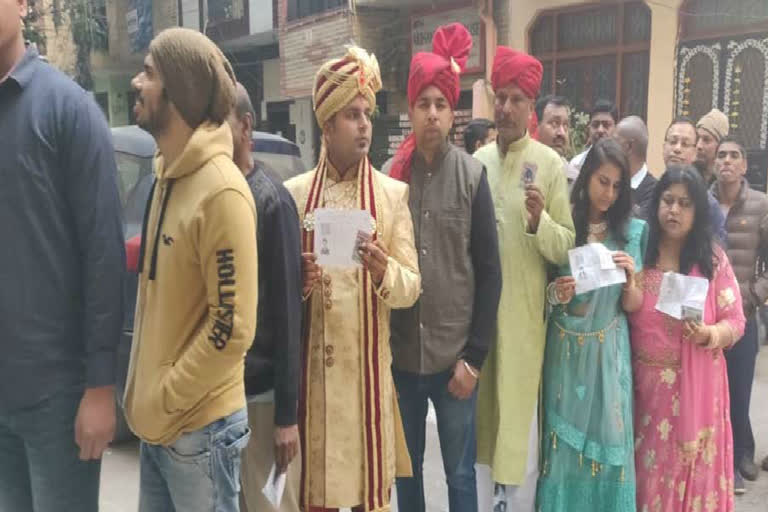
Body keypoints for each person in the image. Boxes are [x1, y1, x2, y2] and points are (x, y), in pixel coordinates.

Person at [123, 28, 258, 512]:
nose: (137, 84)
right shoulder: (167, 174)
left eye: (149, 73)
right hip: (161, 430)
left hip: (200, 432)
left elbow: (234, 325)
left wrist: (166, 395)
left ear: (178, 90)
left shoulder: (221, 191)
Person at [284, 45, 421, 512]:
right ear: (326, 126)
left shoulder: (391, 196)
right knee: (316, 496)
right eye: (351, 115)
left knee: (369, 498)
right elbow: (276, 298)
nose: (364, 124)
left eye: (367, 113)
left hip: (368, 386)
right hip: (315, 386)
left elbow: (411, 288)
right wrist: (298, 283)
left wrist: (384, 270)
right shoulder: (295, 196)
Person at [0, 2, 125, 510]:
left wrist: (100, 387)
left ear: (24, 4)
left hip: (58, 400)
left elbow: (103, 255)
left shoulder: (68, 111)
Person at [384, 23, 502, 512]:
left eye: (441, 104)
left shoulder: (473, 177)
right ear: (409, 110)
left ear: (453, 114)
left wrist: (474, 359)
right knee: (405, 475)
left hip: (455, 362)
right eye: (423, 104)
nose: (432, 114)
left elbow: (490, 273)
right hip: (402, 360)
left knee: (458, 475)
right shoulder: (390, 181)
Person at [472, 46, 575, 512]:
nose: (507, 108)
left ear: (531, 109)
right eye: (502, 98)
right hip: (477, 323)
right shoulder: (476, 162)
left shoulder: (549, 165)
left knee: (516, 423)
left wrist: (538, 222)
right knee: (481, 425)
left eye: (517, 99)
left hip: (523, 319)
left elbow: (566, 245)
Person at [629, 165, 746, 512]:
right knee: (646, 480)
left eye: (684, 203)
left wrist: (709, 334)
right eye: (667, 201)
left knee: (691, 479)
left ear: (697, 211)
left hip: (696, 391)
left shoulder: (711, 260)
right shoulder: (639, 251)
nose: (674, 210)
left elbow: (736, 320)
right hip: (643, 394)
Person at [537, 137, 645, 511]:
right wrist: (557, 294)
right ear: (585, 179)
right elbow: (544, 293)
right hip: (565, 352)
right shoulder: (565, 224)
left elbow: (633, 304)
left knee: (610, 439)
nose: (609, 193)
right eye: (602, 181)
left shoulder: (631, 233)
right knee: (562, 446)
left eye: (617, 185)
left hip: (608, 353)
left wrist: (631, 279)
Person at [227, 84, 303, 512]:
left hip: (262, 398)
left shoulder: (271, 199)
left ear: (244, 127)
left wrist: (286, 416)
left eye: (220, 123)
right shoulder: (218, 197)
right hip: (223, 398)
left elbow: (290, 313)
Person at [711, 136, 768, 491]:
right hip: (709, 316)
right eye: (721, 156)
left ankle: (740, 455)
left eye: (734, 156)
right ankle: (724, 456)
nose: (727, 161)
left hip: (744, 315)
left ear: (744, 165)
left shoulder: (761, 205)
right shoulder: (703, 202)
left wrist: (754, 294)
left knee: (740, 389)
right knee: (713, 390)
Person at [662, 116, 727, 245]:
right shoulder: (652, 193)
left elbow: (717, 257)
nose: (677, 149)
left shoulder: (708, 204)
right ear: (663, 147)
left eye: (685, 144)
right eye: (673, 141)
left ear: (694, 153)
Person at [614, 115, 656, 217]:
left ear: (629, 147)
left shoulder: (654, 192)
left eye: (614, 141)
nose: (610, 147)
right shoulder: (612, 183)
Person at [535, 95, 579, 187]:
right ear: (536, 126)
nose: (562, 133)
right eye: (554, 123)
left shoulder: (577, 181)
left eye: (566, 125)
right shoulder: (522, 171)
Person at [570, 99, 618, 170]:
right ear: (588, 128)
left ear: (616, 129)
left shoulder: (622, 165)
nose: (600, 130)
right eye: (595, 125)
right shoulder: (576, 164)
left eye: (606, 125)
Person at [696, 109, 729, 185]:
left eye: (706, 140)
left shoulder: (726, 183)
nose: (699, 145)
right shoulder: (686, 177)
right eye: (697, 138)